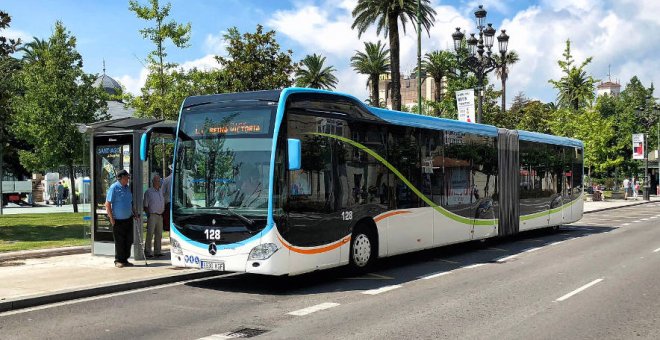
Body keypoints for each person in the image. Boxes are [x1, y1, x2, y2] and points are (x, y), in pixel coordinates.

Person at [105, 169, 138, 268]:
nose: (128, 179)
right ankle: (118, 260)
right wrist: (111, 218)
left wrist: (135, 213)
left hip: (128, 219)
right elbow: (107, 204)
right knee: (119, 241)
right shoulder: (114, 188)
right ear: (122, 178)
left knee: (129, 240)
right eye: (127, 177)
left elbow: (130, 203)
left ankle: (125, 259)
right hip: (118, 220)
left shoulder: (127, 188)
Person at [143, 174, 164, 258]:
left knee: (159, 234)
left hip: (160, 216)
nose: (159, 182)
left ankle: (157, 251)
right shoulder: (148, 192)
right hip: (152, 215)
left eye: (160, 181)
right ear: (154, 182)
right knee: (150, 234)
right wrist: (149, 215)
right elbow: (145, 206)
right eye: (158, 181)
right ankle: (147, 252)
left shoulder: (160, 191)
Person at [161, 166, 172, 232]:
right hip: (178, 204)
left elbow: (162, 193)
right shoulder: (180, 179)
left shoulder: (167, 180)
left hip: (168, 204)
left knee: (168, 223)